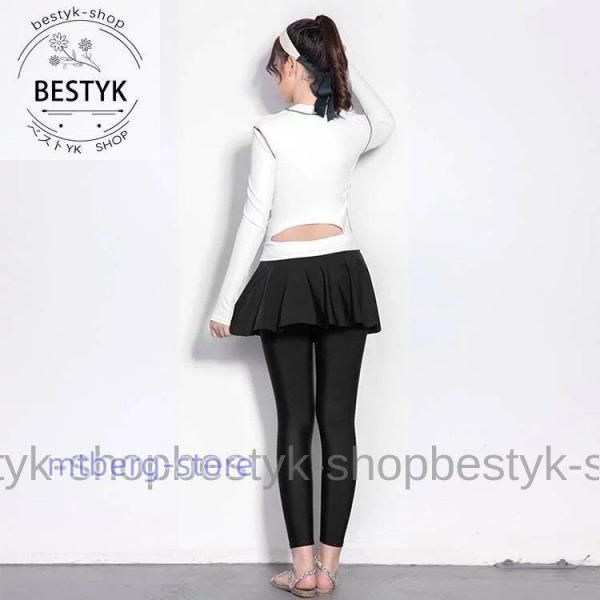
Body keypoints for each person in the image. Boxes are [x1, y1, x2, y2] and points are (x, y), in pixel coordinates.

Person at [209, 14, 395, 597]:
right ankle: (329, 570)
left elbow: (254, 219)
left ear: (293, 65)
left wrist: (225, 303)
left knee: (295, 424)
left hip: (285, 278)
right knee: (338, 423)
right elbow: (386, 121)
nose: (272, 80)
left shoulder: (269, 131)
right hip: (342, 273)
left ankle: (305, 569)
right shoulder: (351, 128)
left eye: (275, 68)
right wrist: (341, 66)